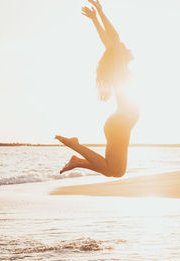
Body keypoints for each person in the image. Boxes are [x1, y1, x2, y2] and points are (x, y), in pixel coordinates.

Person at [55, 0, 139, 177]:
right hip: (120, 124)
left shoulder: (120, 69)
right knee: (115, 171)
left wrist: (94, 20)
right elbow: (113, 40)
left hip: (120, 124)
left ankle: (77, 160)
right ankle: (75, 146)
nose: (126, 48)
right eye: (123, 48)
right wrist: (100, 12)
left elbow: (109, 43)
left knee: (115, 170)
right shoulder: (120, 68)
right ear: (119, 54)